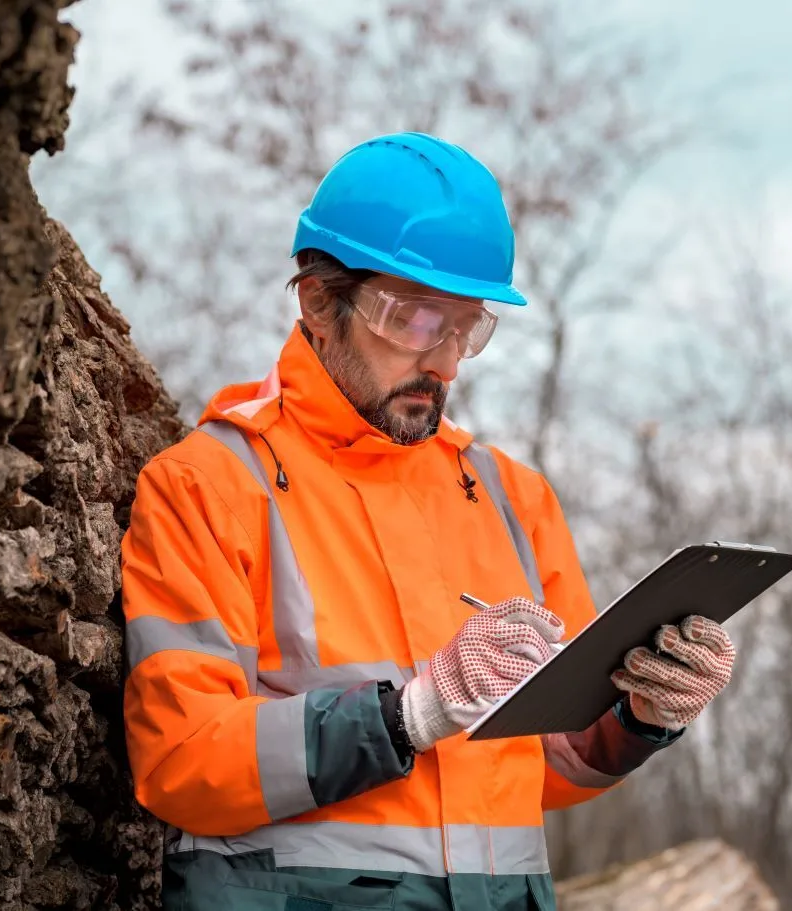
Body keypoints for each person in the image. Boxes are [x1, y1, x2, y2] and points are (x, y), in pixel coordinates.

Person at [119, 132, 736, 911]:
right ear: (318, 300)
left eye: (466, 328)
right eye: (414, 319)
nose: (443, 361)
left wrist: (641, 715)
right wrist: (407, 713)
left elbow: (550, 758)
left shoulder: (514, 499)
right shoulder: (207, 484)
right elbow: (180, 759)